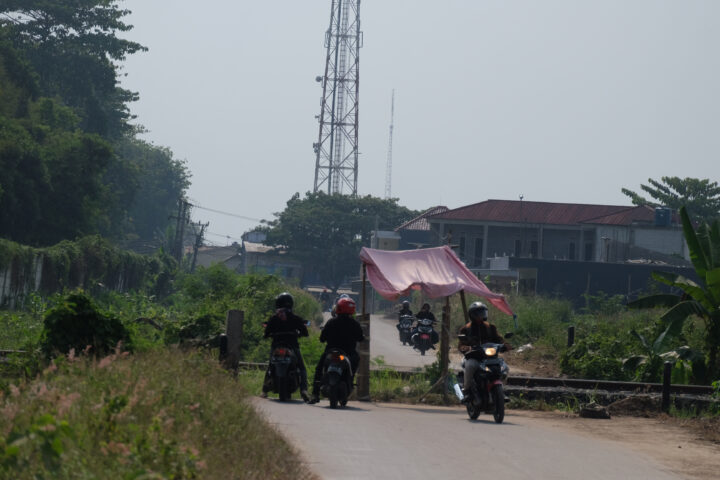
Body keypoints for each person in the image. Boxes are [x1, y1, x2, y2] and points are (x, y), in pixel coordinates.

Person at [309, 296, 365, 404]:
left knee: (319, 369)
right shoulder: (354, 324)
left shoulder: (331, 322)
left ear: (338, 308)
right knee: (356, 361)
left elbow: (322, 338)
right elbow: (360, 338)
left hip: (330, 352)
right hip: (348, 354)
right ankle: (350, 380)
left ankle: (315, 394)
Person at [457, 301, 510, 401]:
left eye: (482, 313)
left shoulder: (491, 327)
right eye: (478, 313)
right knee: (470, 366)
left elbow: (499, 339)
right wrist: (467, 348)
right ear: (472, 315)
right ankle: (467, 391)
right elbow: (461, 345)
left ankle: (502, 391)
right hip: (474, 357)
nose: (481, 316)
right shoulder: (465, 329)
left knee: (505, 368)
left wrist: (505, 345)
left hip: (490, 357)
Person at [263, 292, 311, 402]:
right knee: (302, 368)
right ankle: (304, 390)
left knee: (270, 366)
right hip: (292, 346)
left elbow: (266, 333)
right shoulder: (295, 318)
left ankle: (264, 390)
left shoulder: (274, 318)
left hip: (276, 346)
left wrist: (269, 335)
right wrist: (298, 334)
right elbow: (305, 332)